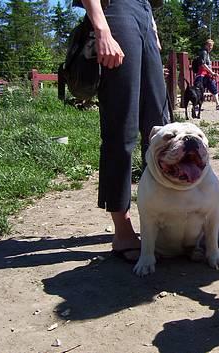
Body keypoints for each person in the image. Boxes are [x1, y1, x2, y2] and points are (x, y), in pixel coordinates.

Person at [79, 0, 170, 262]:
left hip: (144, 12)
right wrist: (102, 30)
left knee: (159, 125)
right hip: (116, 12)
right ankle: (122, 229)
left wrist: (151, 24)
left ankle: (163, 220)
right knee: (123, 124)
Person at [195, 39, 219, 110]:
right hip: (202, 75)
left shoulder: (206, 53)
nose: (210, 48)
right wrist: (212, 72)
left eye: (211, 47)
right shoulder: (204, 52)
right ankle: (196, 106)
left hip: (207, 75)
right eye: (209, 46)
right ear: (206, 45)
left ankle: (218, 104)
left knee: (213, 88)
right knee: (200, 90)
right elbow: (203, 64)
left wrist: (211, 73)